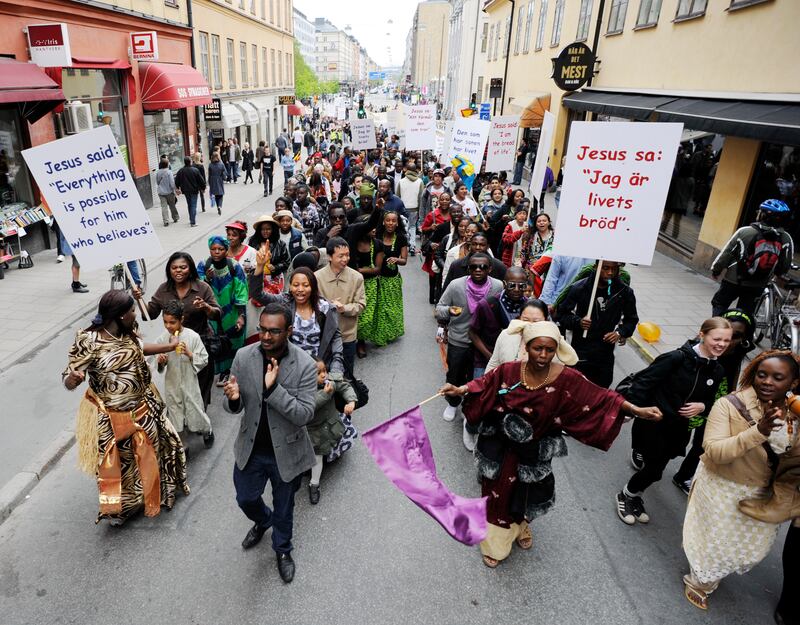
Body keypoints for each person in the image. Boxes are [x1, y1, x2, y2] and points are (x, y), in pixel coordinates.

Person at [439, 321, 662, 568]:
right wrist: (460, 389)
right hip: (501, 448)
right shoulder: (509, 371)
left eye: (549, 349)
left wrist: (635, 409)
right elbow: (484, 384)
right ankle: (496, 544)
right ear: (526, 347)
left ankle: (521, 527)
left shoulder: (568, 378)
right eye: (537, 349)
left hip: (534, 451)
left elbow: (601, 397)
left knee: (527, 494)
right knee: (497, 495)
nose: (543, 355)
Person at [682, 350, 800, 611]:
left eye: (777, 377)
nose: (767, 381)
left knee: (750, 548)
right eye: (762, 374)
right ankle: (700, 581)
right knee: (714, 541)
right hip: (723, 485)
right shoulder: (729, 405)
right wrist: (759, 432)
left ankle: (715, 570)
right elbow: (714, 451)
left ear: (792, 383)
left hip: (765, 493)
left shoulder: (795, 412)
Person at [63, 290, 189, 525]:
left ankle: (151, 493)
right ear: (120, 315)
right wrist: (73, 378)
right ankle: (120, 508)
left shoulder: (128, 333)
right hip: (111, 418)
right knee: (120, 464)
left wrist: (170, 347)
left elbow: (142, 347)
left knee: (152, 452)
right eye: (131, 310)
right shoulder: (89, 341)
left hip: (142, 408)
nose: (135, 314)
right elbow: (67, 378)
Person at [222, 302, 317, 584]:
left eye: (273, 332)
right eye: (262, 329)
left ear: (288, 331)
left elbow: (303, 414)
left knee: (285, 508)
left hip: (286, 453)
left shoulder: (305, 366)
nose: (265, 336)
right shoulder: (243, 356)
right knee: (246, 498)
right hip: (250, 448)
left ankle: (283, 549)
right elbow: (234, 408)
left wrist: (273, 389)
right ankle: (264, 521)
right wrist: (233, 398)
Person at [618, 318, 730, 526]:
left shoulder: (718, 370)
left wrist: (702, 406)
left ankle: (635, 492)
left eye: (726, 341)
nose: (721, 344)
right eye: (717, 338)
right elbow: (643, 383)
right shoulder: (675, 358)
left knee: (657, 466)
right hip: (654, 423)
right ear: (702, 334)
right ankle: (626, 494)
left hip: (679, 429)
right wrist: (630, 411)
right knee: (654, 470)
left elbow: (712, 397)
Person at [672, 309, 755, 494]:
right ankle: (644, 451)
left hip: (713, 401)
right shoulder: (694, 348)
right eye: (725, 335)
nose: (728, 342)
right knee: (671, 436)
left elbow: (734, 374)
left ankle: (683, 475)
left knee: (704, 443)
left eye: (736, 336)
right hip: (687, 397)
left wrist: (731, 399)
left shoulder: (738, 350)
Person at [133, 252, 221, 407]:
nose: (178, 271)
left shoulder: (202, 287)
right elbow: (149, 315)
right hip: (174, 346)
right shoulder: (164, 290)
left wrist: (206, 307)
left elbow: (217, 314)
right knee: (178, 386)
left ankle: (202, 421)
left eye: (183, 267)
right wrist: (139, 299)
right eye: (174, 268)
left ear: (190, 269)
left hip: (199, 344)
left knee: (200, 387)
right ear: (169, 270)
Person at [436, 252, 504, 422]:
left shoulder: (498, 286)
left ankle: (471, 409)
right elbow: (439, 308)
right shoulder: (455, 285)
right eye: (473, 266)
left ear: (490, 269)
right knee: (455, 375)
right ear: (468, 268)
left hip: (484, 343)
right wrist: (449, 310)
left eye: (483, 266)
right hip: (459, 340)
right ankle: (452, 403)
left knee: (478, 378)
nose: (478, 270)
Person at [248, 265, 345, 378]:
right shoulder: (284, 302)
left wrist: (336, 366)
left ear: (313, 287)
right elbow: (257, 295)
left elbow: (335, 337)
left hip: (318, 370)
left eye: (305, 285)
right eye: (296, 285)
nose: (300, 289)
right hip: (289, 369)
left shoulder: (325, 308)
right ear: (290, 287)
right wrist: (260, 268)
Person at [556, 260, 638, 388]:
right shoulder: (579, 288)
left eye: (614, 268)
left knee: (601, 389)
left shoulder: (624, 292)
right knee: (574, 387)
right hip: (580, 350)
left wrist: (620, 332)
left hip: (605, 353)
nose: (610, 272)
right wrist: (578, 322)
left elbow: (631, 319)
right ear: (596, 267)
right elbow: (562, 315)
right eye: (605, 268)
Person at [710, 199, 794, 316]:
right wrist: (775, 274)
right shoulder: (786, 238)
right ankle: (741, 333)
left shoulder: (745, 232)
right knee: (746, 314)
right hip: (758, 284)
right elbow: (785, 265)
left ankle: (719, 331)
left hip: (733, 280)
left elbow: (727, 253)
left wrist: (716, 270)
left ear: (763, 214)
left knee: (720, 305)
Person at [155, 300, 214, 449]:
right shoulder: (163, 339)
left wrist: (189, 353)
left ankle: (207, 431)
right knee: (175, 417)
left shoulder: (193, 337)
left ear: (181, 319)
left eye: (172, 322)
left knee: (196, 412)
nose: (168, 326)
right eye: (165, 322)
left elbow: (204, 359)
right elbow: (158, 364)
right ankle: (184, 446)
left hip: (189, 383)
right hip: (172, 384)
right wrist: (161, 361)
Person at [197, 235, 248, 386]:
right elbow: (197, 288)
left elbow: (241, 290)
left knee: (233, 339)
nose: (217, 252)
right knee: (214, 340)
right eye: (213, 249)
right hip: (210, 312)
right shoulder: (203, 266)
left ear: (226, 250)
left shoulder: (235, 266)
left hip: (231, 311)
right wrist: (206, 279)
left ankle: (230, 371)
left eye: (220, 249)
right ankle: (217, 370)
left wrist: (241, 315)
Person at [315, 237, 366, 380]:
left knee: (346, 375)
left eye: (347, 255)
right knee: (323, 375)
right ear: (329, 257)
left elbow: (361, 305)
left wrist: (344, 308)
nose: (345, 259)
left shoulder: (357, 277)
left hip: (347, 335)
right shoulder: (316, 278)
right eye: (341, 256)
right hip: (323, 336)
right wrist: (327, 306)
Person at [307, 360, 356, 504]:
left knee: (331, 447)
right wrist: (325, 394)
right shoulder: (302, 389)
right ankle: (314, 484)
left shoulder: (329, 382)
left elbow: (344, 386)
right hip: (312, 431)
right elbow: (308, 406)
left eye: (324, 371)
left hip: (331, 425)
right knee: (317, 457)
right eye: (318, 373)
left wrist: (351, 401)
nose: (323, 375)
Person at [372, 210, 408, 347]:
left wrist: (396, 259)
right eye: (388, 220)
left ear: (398, 223)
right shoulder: (377, 236)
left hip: (393, 280)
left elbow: (404, 261)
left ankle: (392, 331)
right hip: (378, 279)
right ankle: (381, 335)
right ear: (383, 221)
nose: (390, 223)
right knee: (380, 308)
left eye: (394, 221)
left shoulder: (401, 238)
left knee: (392, 308)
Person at [351, 211, 385, 359]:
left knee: (366, 317)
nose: (374, 230)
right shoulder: (352, 242)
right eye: (370, 227)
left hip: (369, 284)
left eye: (375, 227)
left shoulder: (377, 244)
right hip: (352, 284)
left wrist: (358, 271)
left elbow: (377, 269)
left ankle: (361, 341)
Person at [486, 299, 550, 371]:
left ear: (546, 321)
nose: (530, 324)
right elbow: (493, 364)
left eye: (536, 321)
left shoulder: (552, 341)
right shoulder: (507, 334)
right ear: (519, 318)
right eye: (525, 320)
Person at [443, 231, 507, 290]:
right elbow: (446, 291)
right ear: (470, 245)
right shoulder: (457, 265)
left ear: (487, 246)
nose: (478, 247)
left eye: (482, 245)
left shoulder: (499, 266)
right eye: (474, 244)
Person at [248, 214, 291, 300]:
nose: (265, 231)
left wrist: (275, 267)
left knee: (272, 302)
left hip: (275, 279)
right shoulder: (253, 242)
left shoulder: (280, 244)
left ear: (273, 230)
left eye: (268, 229)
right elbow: (249, 258)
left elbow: (286, 262)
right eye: (263, 229)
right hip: (257, 277)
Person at [397, 164, 424, 254]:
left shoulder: (401, 181)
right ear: (415, 170)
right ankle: (412, 245)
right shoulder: (420, 181)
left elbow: (398, 196)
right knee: (412, 227)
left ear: (406, 170)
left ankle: (404, 245)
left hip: (402, 208)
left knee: (404, 228)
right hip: (414, 208)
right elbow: (421, 197)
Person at [175, 156, 206, 227]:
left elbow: (177, 181)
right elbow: (201, 181)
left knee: (189, 205)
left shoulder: (181, 171)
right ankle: (193, 222)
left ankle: (191, 219)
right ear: (190, 162)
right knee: (193, 205)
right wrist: (203, 188)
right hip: (194, 190)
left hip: (185, 191)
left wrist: (178, 188)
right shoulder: (195, 170)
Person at [156, 158, 179, 226]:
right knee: (172, 206)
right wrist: (175, 190)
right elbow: (172, 183)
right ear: (167, 164)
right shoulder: (169, 172)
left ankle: (166, 221)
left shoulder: (158, 172)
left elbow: (157, 182)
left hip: (161, 193)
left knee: (164, 207)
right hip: (169, 192)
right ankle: (175, 218)